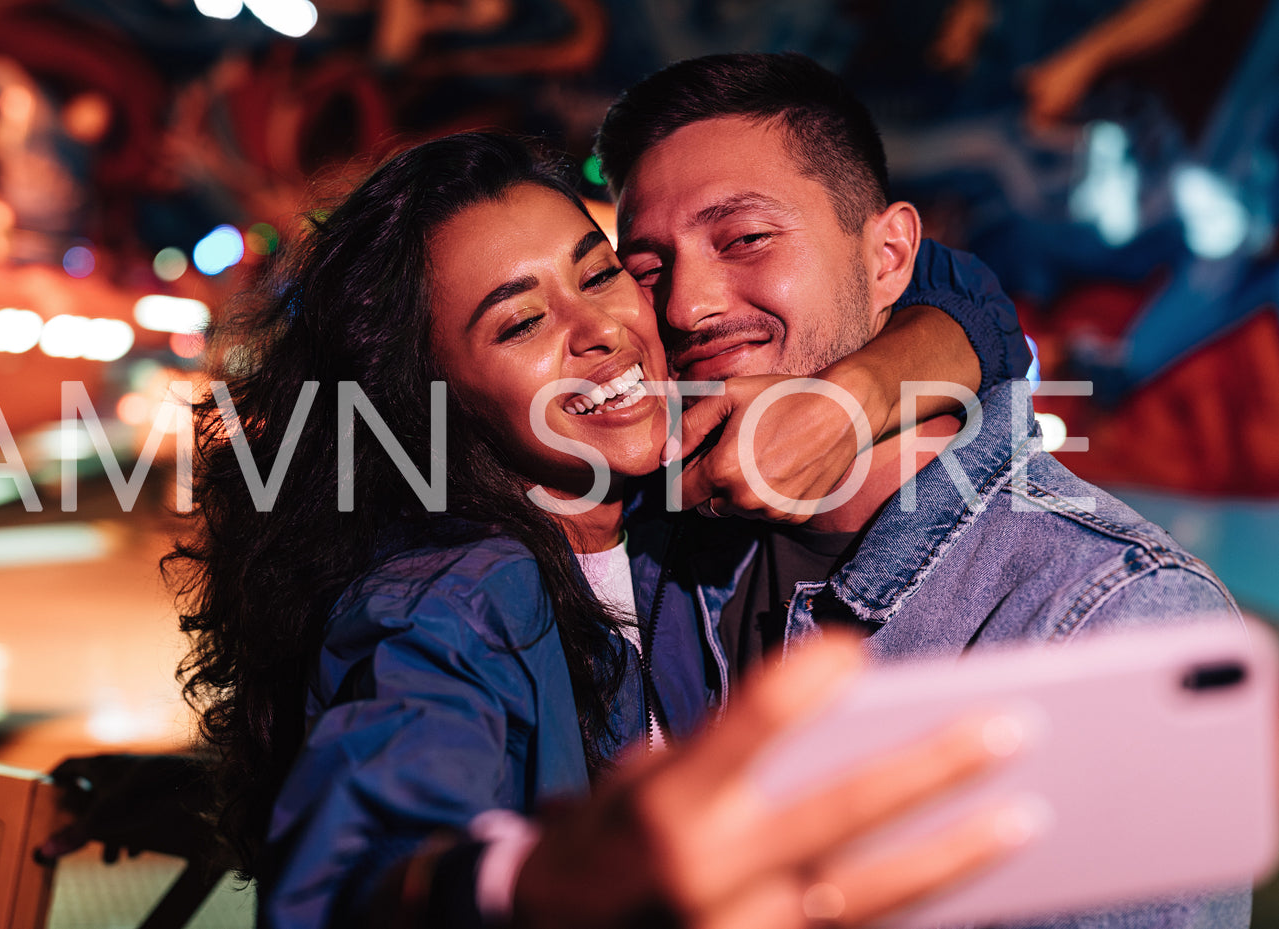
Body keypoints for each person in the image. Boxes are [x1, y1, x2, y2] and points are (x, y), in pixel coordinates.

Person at [172, 131, 1038, 929]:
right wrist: (531, 882)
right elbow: (347, 875)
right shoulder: (448, 599)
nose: (598, 331)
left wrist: (851, 399)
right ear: (427, 400)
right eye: (518, 323)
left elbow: (960, 290)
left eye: (597, 273)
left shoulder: (673, 496)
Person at [594, 51, 1247, 926]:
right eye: (647, 269)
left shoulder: (1109, 615)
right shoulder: (657, 537)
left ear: (890, 257)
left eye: (745, 239)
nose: (686, 306)